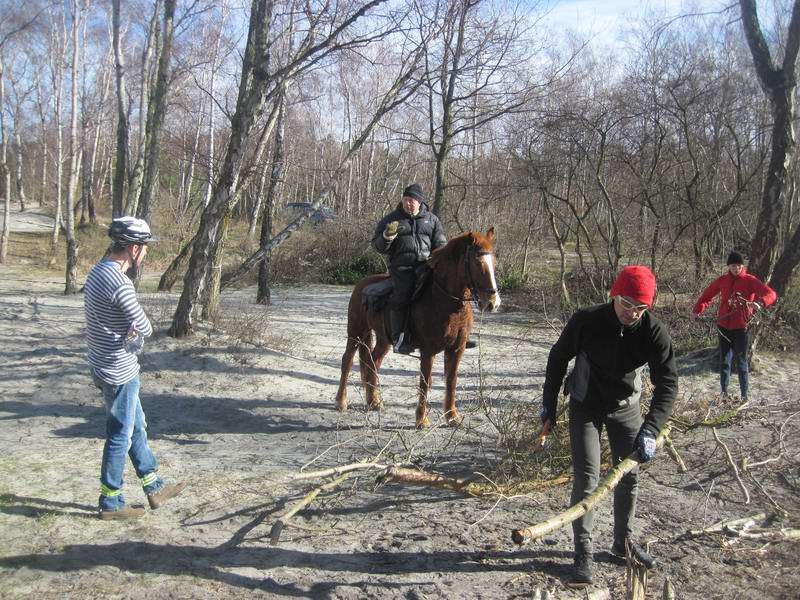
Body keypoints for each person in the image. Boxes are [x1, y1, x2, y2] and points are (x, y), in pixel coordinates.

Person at [540, 266, 678, 586]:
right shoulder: (587, 320)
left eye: (640, 307)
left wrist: (651, 429)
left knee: (628, 478)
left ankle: (622, 544)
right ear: (614, 295)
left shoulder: (653, 332)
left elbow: (668, 383)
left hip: (625, 409)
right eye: (627, 303)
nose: (632, 312)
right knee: (587, 478)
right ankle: (583, 551)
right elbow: (558, 357)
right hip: (585, 405)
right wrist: (548, 405)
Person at [84, 216, 186, 520]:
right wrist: (134, 330)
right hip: (119, 370)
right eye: (145, 247)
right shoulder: (120, 283)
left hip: (102, 364)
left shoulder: (97, 271)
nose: (147, 253)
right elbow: (146, 327)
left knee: (136, 426)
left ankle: (153, 485)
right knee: (120, 434)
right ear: (132, 248)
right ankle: (110, 501)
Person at [691, 250, 777, 401]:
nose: (735, 269)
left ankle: (744, 395)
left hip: (741, 328)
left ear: (742, 266)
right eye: (732, 266)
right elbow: (707, 295)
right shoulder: (722, 280)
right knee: (724, 361)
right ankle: (724, 393)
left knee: (741, 361)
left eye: (738, 266)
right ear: (728, 266)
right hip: (723, 326)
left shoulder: (750, 280)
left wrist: (760, 302)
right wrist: (697, 310)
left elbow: (770, 294)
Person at [372, 183, 447, 354]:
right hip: (401, 268)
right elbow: (378, 247)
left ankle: (454, 334)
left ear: (419, 202)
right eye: (405, 200)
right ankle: (399, 339)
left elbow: (441, 244)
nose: (408, 203)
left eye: (411, 200)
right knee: (402, 294)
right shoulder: (391, 219)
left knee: (448, 289)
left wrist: (437, 259)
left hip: (427, 266)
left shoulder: (432, 220)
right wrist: (386, 237)